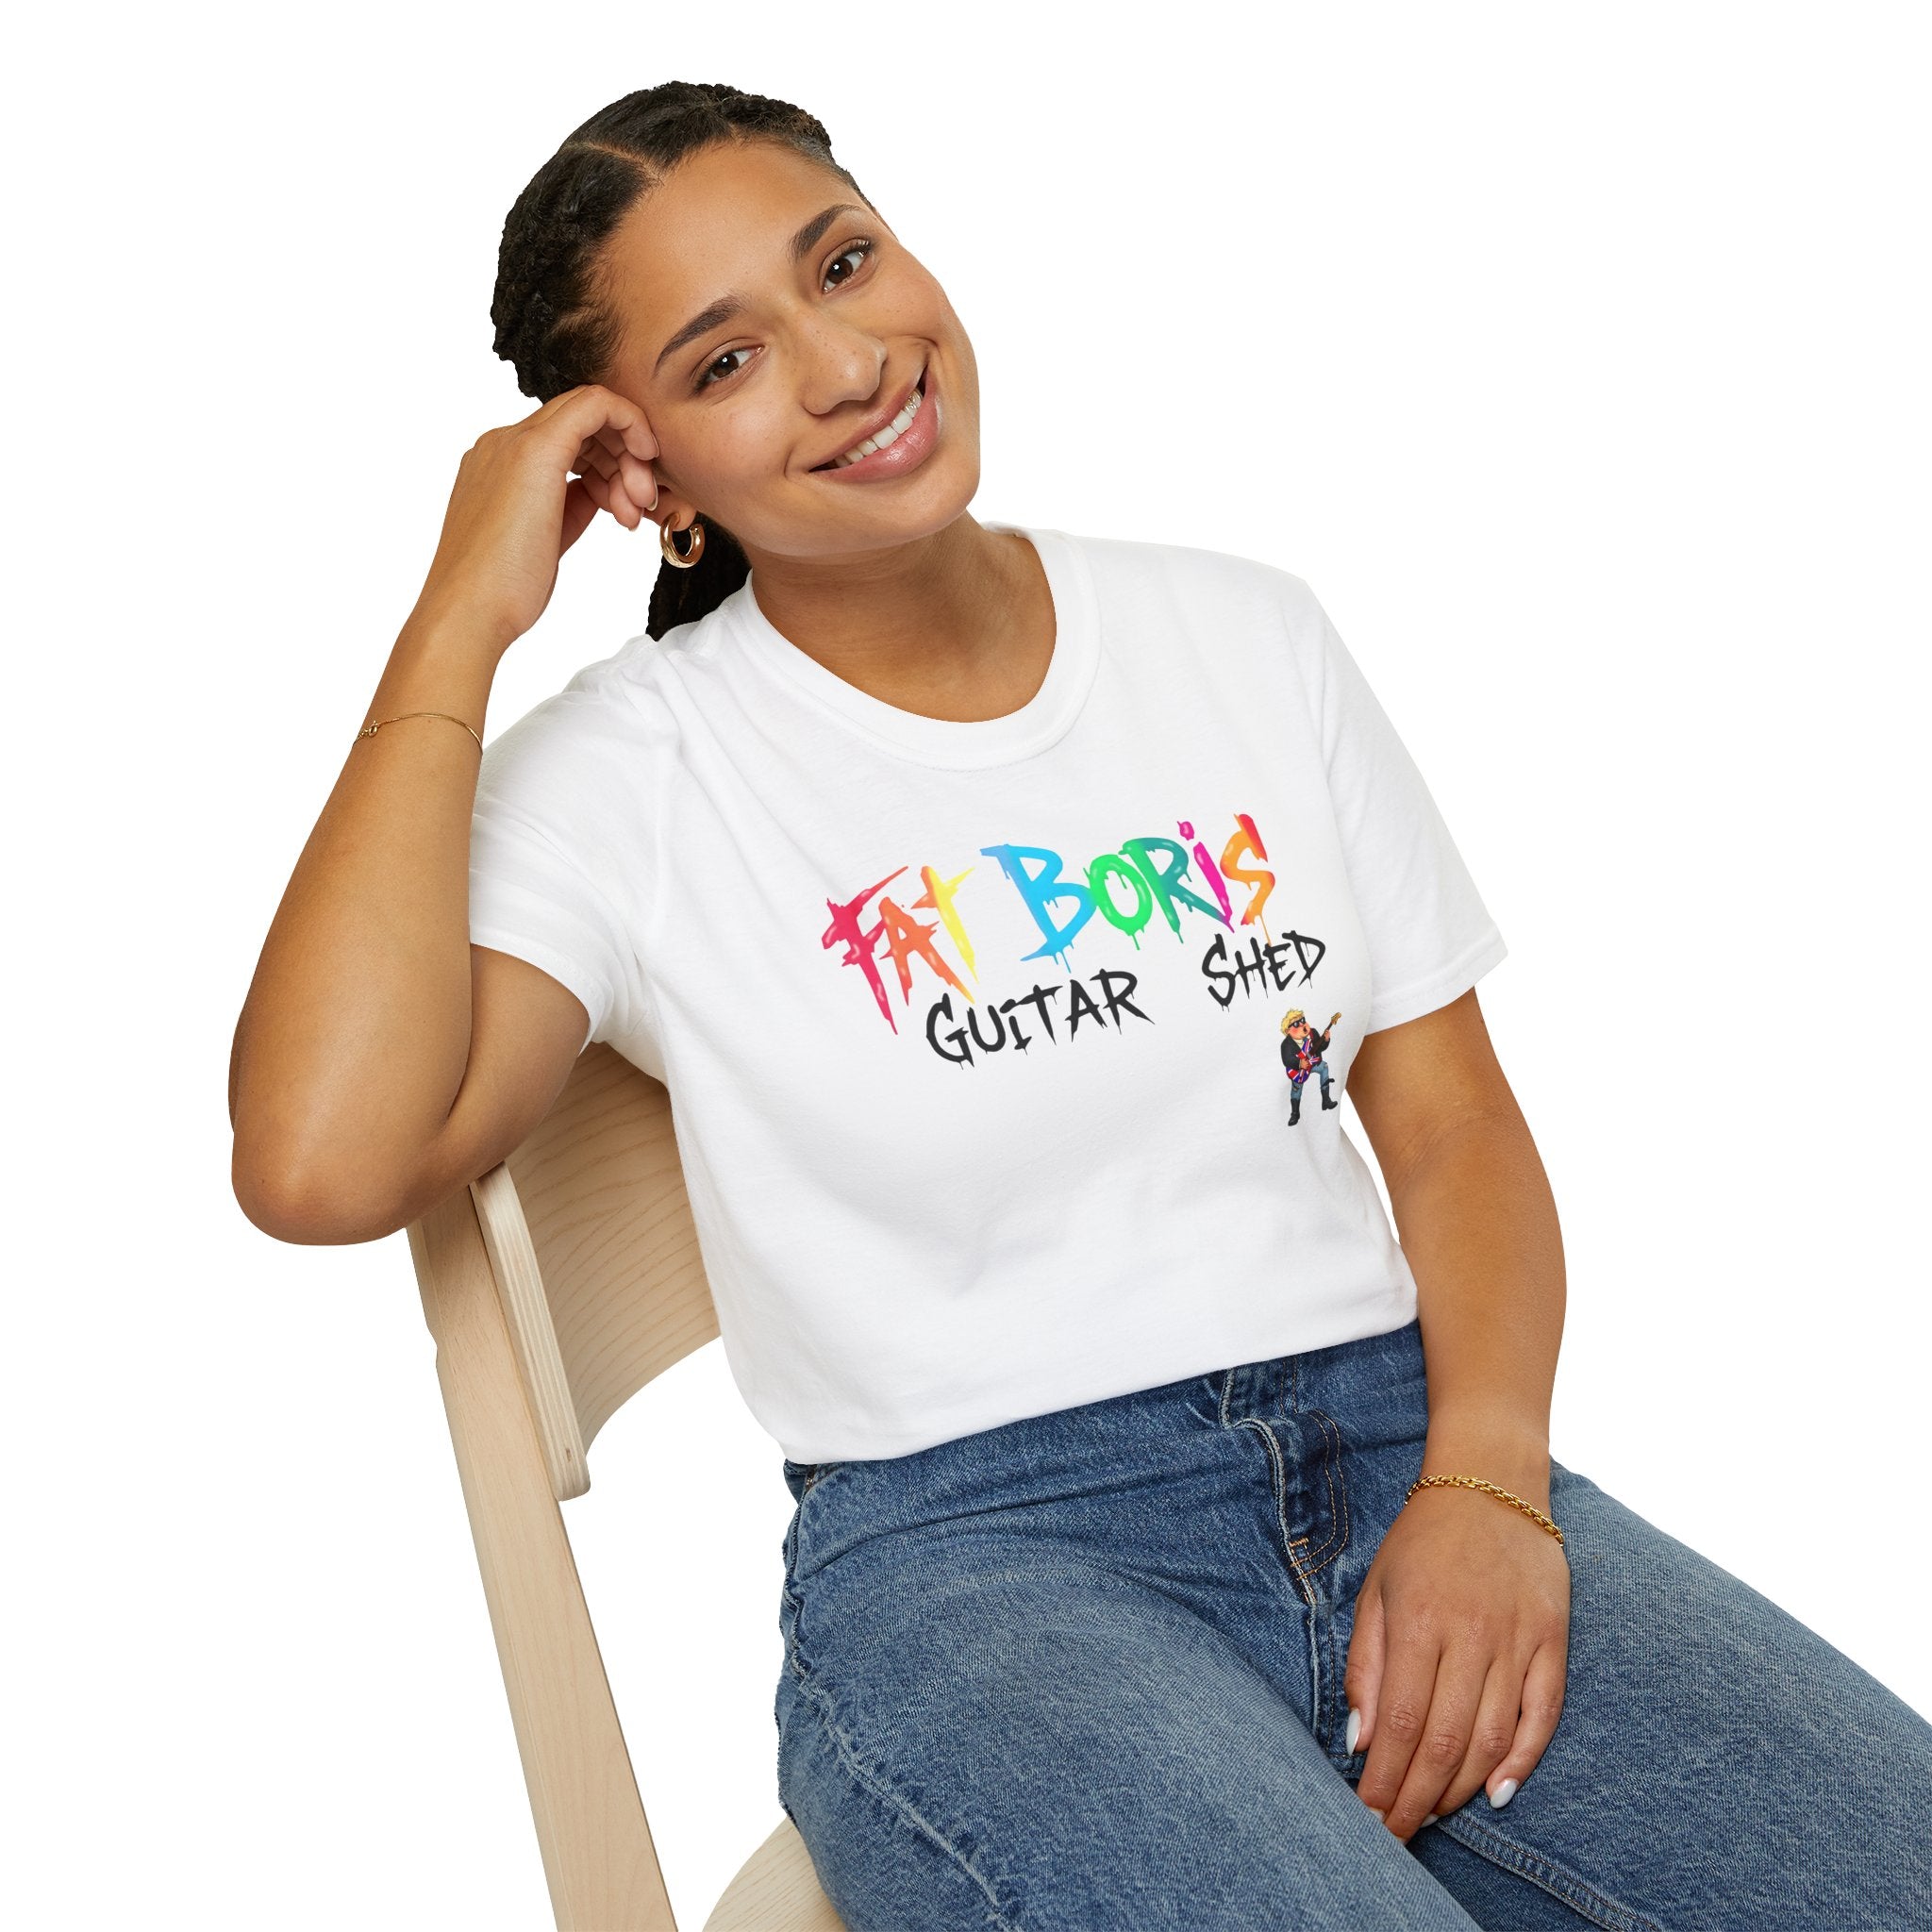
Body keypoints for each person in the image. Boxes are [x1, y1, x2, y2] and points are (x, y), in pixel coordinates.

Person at [228, 80, 1932, 1931]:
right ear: (647, 479)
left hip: (1400, 1449)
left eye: (845, 262)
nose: (846, 361)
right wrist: (455, 618)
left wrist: (1490, 1485)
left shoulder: (1242, 634)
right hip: (983, 1568)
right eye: (725, 362)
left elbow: (1446, 1126)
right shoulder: (635, 773)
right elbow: (321, 1158)